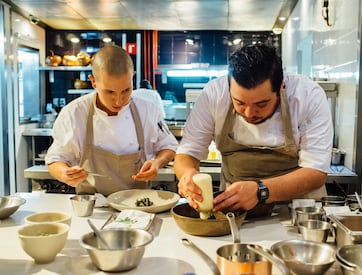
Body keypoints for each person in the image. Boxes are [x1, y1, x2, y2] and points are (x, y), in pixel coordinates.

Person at [174, 44, 333, 215]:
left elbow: (316, 172)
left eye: (261, 104)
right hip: (234, 211)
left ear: (281, 86)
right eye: (240, 103)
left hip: (298, 212)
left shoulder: (307, 96)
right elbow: (187, 153)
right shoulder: (214, 94)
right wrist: (187, 175)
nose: (249, 113)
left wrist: (260, 191)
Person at [46, 45, 178, 196]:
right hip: (93, 207)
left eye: (126, 90)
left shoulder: (148, 110)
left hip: (139, 206)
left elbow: (169, 146)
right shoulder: (74, 113)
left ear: (132, 76)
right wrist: (65, 173)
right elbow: (55, 159)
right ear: (93, 81)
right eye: (109, 92)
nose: (119, 101)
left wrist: (157, 163)